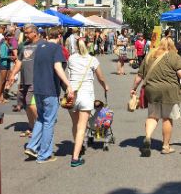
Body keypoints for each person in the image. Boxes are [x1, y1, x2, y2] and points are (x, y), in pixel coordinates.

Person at [130, 37, 181, 156]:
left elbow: (139, 76)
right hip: (170, 92)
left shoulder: (149, 56)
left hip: (152, 90)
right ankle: (166, 146)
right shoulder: (174, 57)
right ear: (172, 46)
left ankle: (148, 137)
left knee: (153, 116)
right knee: (167, 118)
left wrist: (133, 89)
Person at [22, 25, 74, 164]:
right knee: (49, 122)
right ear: (59, 36)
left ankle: (32, 146)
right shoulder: (56, 48)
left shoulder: (39, 47)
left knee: (41, 119)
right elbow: (58, 67)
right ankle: (44, 154)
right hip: (49, 89)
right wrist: (68, 85)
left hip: (38, 88)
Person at [67, 38, 109, 167]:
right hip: (86, 95)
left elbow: (68, 74)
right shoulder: (92, 60)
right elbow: (100, 78)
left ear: (76, 46)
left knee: (75, 124)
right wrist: (105, 86)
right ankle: (75, 157)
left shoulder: (71, 59)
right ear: (89, 45)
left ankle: (78, 147)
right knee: (82, 126)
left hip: (72, 95)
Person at [8, 25, 41, 137]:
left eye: (27, 33)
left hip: (35, 79)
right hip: (24, 79)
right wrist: (13, 74)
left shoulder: (42, 44)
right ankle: (31, 127)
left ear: (35, 33)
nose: (25, 35)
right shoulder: (24, 45)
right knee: (26, 104)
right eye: (25, 33)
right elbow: (19, 61)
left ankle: (39, 127)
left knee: (31, 103)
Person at [0, 31, 14, 104]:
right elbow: (3, 56)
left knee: (5, 81)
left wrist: (11, 55)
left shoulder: (10, 44)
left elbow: (11, 51)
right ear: (6, 37)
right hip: (3, 63)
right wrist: (11, 57)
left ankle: (2, 97)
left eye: (11, 36)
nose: (11, 37)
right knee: (2, 81)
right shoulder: (3, 45)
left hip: (8, 63)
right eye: (9, 36)